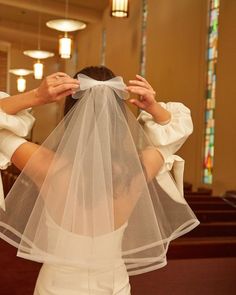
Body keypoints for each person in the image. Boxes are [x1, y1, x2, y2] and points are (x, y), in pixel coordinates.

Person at [0, 66, 199, 295]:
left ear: (70, 110)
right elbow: (175, 135)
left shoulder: (45, 165)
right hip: (115, 286)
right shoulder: (137, 168)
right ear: (120, 114)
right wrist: (155, 108)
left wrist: (35, 97)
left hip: (56, 287)